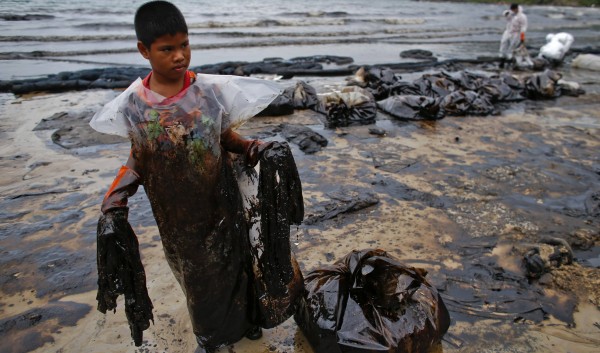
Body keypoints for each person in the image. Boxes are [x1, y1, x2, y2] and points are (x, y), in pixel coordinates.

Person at [90, 1, 287, 352]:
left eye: (184, 45)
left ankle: (248, 322)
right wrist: (116, 196)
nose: (180, 55)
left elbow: (226, 139)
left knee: (238, 263)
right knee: (198, 279)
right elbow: (138, 158)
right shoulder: (135, 105)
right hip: (178, 218)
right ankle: (212, 338)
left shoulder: (208, 92)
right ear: (144, 51)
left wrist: (255, 147)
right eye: (167, 49)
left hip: (222, 201)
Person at [499, 3, 528, 69]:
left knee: (512, 47)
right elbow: (505, 15)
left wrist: (522, 37)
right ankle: (502, 61)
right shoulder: (510, 14)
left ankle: (510, 62)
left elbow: (523, 27)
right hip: (508, 31)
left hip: (516, 33)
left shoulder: (522, 16)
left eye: (514, 9)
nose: (513, 11)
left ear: (517, 9)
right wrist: (507, 13)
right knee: (503, 44)